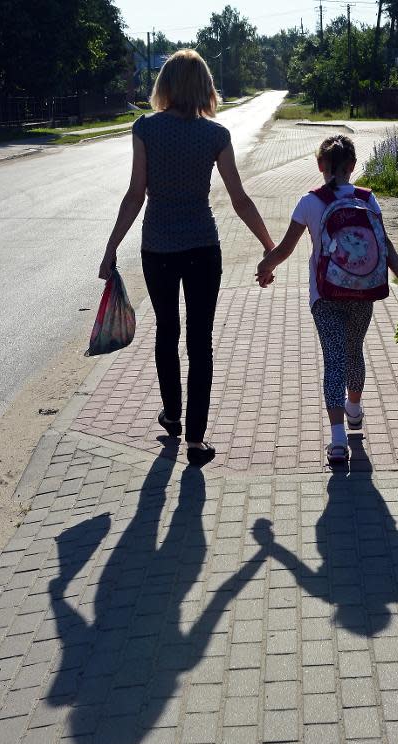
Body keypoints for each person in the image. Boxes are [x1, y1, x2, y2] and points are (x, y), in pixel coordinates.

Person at [99, 50, 274, 466]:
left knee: (167, 331)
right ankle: (196, 441)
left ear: (166, 85)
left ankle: (172, 416)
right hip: (202, 248)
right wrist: (270, 248)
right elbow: (240, 199)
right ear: (204, 86)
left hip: (157, 247)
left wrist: (110, 250)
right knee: (200, 341)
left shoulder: (145, 129)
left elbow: (135, 195)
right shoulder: (215, 136)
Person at [256, 134, 398, 464]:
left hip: (324, 294)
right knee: (354, 349)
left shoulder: (310, 202)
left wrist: (265, 267)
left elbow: (285, 249)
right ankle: (354, 410)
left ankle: (338, 440)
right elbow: (384, 245)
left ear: (320, 166)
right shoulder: (368, 200)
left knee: (333, 358)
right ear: (352, 167)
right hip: (362, 292)